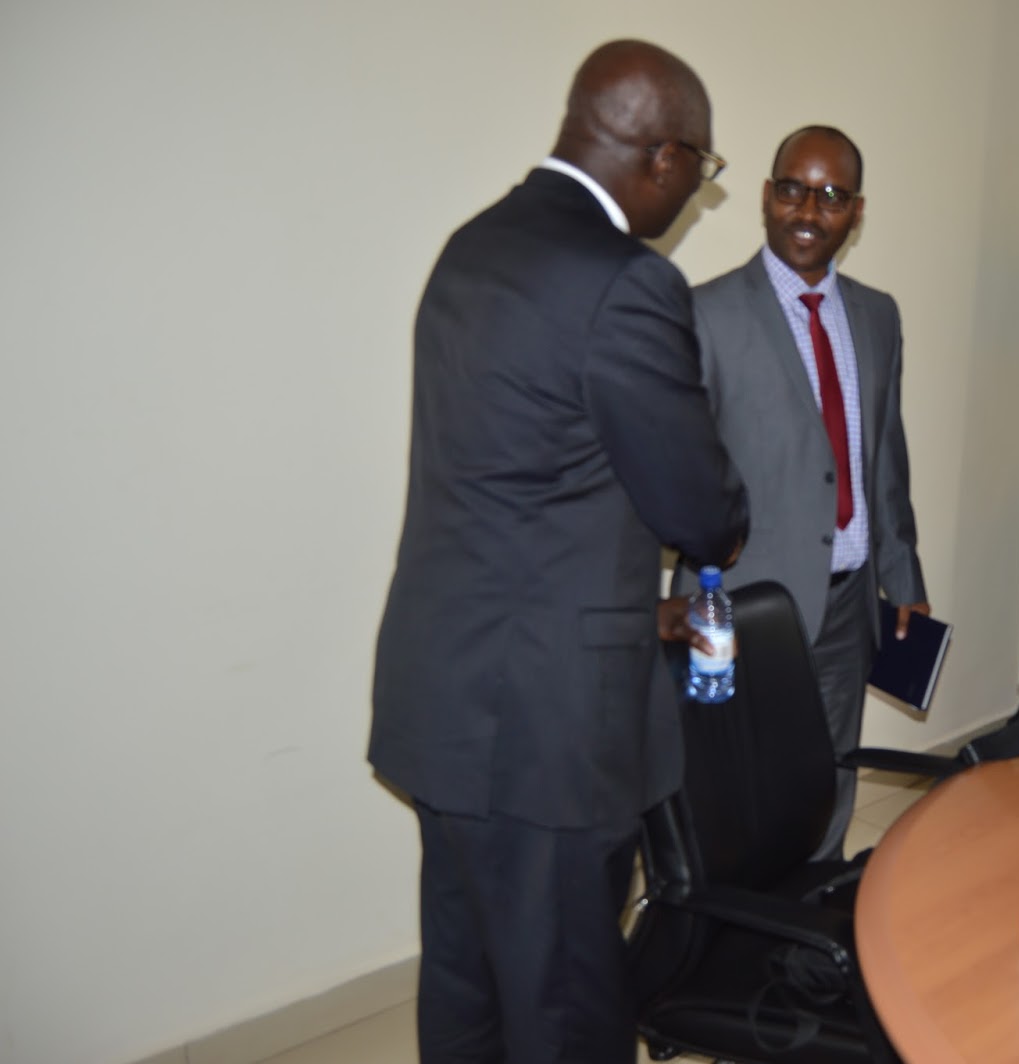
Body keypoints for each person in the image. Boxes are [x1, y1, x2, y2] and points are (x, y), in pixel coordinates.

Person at [368, 40, 747, 1064]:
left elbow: (519, 488)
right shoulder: (626, 282)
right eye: (703, 168)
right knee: (568, 1007)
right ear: (662, 157)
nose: (695, 192)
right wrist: (724, 517)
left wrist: (635, 604)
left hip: (445, 694)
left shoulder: (471, 246)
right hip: (546, 733)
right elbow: (698, 507)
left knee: (468, 986)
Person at [676, 125, 928, 860]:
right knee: (737, 798)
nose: (809, 212)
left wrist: (903, 577)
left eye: (831, 196)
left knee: (832, 781)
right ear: (766, 196)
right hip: (743, 608)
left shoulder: (878, 316)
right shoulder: (703, 313)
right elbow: (680, 473)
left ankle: (817, 912)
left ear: (856, 211)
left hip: (849, 605)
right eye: (793, 190)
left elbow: (886, 457)